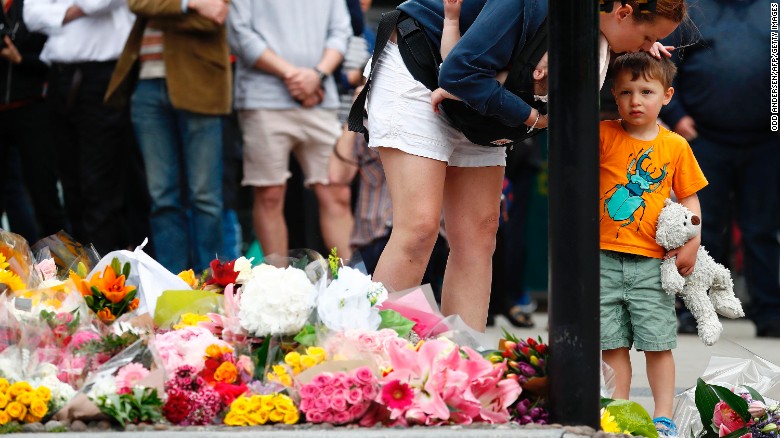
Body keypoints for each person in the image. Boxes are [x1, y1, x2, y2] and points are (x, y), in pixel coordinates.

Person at [361, 0, 687, 332]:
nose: (649, 48)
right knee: (418, 228)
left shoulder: (603, 21)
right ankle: (376, 360)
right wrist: (534, 118)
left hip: (479, 94)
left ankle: (458, 366)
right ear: (623, 13)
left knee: (479, 233)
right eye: (647, 37)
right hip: (419, 67)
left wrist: (637, 44)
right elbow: (460, 72)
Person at [599, 52, 707, 436]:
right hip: (603, 258)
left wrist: (692, 240)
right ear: (613, 94)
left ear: (667, 95)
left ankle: (663, 417)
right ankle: (619, 413)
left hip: (651, 262)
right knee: (611, 342)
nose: (635, 100)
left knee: (657, 343)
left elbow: (690, 197)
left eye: (646, 91)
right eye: (626, 91)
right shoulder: (604, 134)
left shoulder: (675, 145)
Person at [659, 0, 780, 338]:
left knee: (762, 230)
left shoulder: (773, 9)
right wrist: (677, 115)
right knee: (700, 227)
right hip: (704, 137)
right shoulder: (693, 10)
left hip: (766, 139)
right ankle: (695, 309)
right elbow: (668, 64)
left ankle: (770, 311)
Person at [105, 0, 231, 273]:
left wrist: (159, 8)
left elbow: (213, 18)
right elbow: (137, 3)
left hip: (201, 83)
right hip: (147, 88)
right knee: (162, 198)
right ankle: (174, 283)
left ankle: (215, 287)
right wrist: (191, 4)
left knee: (205, 198)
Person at [227, 0, 353, 261]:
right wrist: (298, 77)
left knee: (336, 190)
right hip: (264, 99)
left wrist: (316, 75)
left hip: (319, 96)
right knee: (269, 194)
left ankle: (353, 285)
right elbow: (239, 33)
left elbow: (341, 31)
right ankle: (278, 288)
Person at [24, 0, 136, 255]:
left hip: (101, 76)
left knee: (98, 183)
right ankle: (82, 272)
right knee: (70, 183)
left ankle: (104, 272)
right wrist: (71, 11)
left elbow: (97, 3)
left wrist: (58, 12)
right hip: (58, 77)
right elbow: (31, 15)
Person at [0, 0, 66, 243]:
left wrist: (20, 59)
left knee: (44, 191)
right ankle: (13, 262)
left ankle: (59, 263)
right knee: (11, 193)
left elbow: (52, 59)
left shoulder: (34, 8)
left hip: (33, 107)